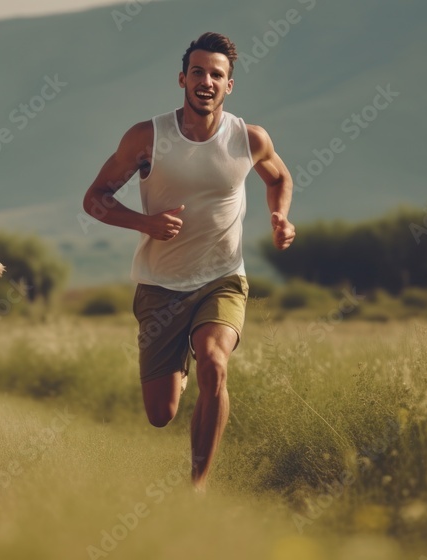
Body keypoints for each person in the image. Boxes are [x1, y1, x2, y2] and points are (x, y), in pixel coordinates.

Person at [81, 31, 296, 491]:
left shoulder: (249, 138)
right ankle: (175, 366)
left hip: (222, 278)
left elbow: (279, 178)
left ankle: (196, 487)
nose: (206, 81)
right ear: (182, 79)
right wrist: (146, 223)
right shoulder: (147, 137)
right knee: (161, 415)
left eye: (216, 74)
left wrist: (280, 216)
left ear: (229, 85)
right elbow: (94, 199)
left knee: (215, 364)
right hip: (160, 285)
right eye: (197, 72)